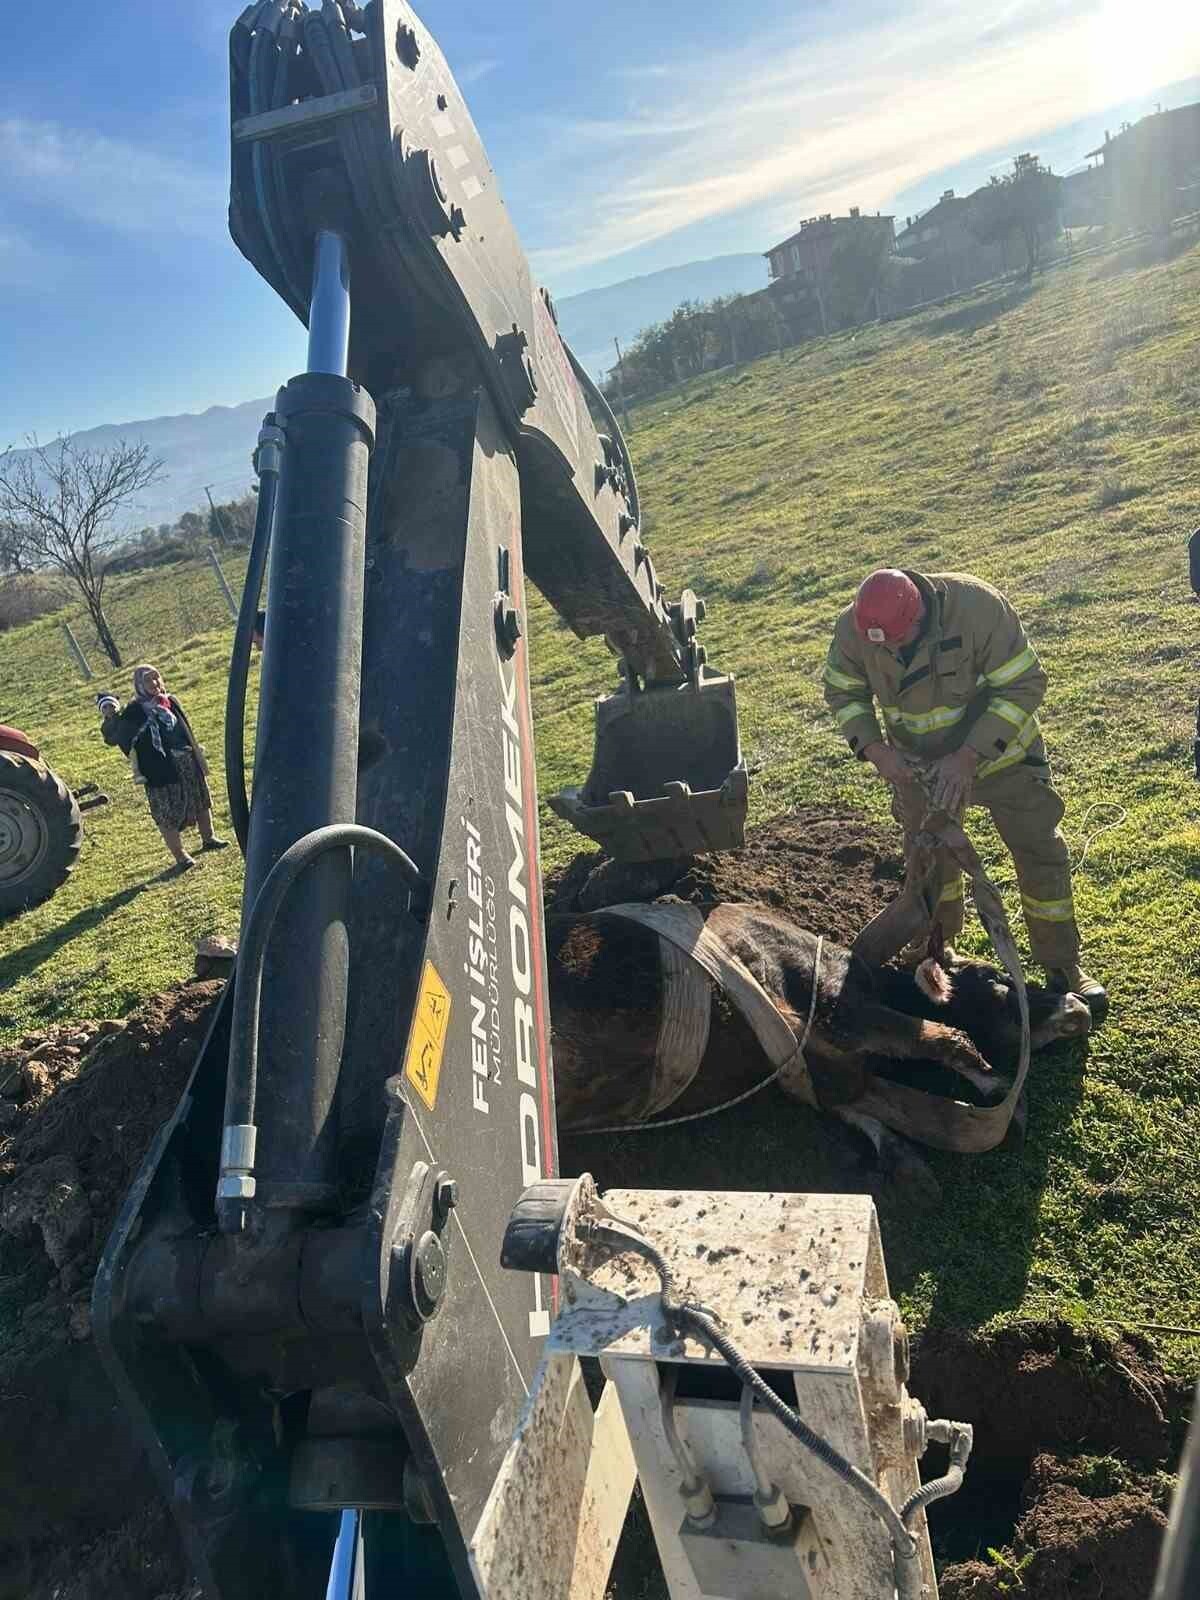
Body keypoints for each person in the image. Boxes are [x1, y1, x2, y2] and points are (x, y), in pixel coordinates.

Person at [823, 567, 1107, 1018]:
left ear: (919, 613)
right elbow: (843, 690)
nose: (891, 649)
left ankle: (1063, 967)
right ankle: (937, 950)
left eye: (899, 639)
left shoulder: (977, 608)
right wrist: (877, 751)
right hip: (919, 769)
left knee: (1037, 852)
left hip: (1001, 757)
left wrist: (970, 755)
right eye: (881, 644)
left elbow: (1024, 682)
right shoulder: (854, 628)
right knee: (929, 860)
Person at [99, 666, 228, 872]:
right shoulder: (134, 711)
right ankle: (181, 856)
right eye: (148, 681)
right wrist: (110, 717)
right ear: (139, 685)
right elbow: (116, 737)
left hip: (186, 760)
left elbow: (185, 728)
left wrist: (194, 752)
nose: (155, 684)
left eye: (156, 678)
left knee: (201, 799)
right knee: (166, 811)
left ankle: (209, 838)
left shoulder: (170, 701)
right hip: (159, 769)